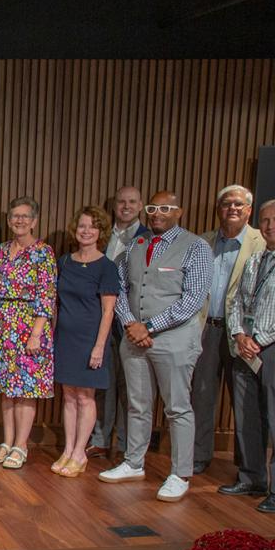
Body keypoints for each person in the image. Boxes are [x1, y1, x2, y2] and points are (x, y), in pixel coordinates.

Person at [100, 191, 211, 503]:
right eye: (153, 208)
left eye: (165, 208)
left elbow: (192, 300)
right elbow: (120, 288)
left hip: (173, 340)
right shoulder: (136, 244)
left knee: (177, 407)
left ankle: (180, 473)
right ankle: (134, 462)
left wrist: (148, 327)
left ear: (179, 211)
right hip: (134, 339)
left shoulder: (196, 246)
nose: (157, 213)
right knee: (137, 404)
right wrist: (130, 323)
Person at [222, 200, 275, 514]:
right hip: (246, 346)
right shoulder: (255, 260)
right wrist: (239, 335)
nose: (271, 226)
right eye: (265, 220)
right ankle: (251, 477)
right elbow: (235, 303)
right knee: (246, 417)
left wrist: (258, 339)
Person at [192, 185, 264, 475]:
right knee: (202, 395)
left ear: (249, 209)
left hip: (243, 335)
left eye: (238, 204)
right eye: (226, 203)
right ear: (218, 209)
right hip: (206, 330)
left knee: (246, 401)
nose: (232, 208)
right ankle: (199, 456)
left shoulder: (262, 242)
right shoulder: (203, 242)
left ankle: (249, 467)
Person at [0, 197, 57, 471]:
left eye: (25, 216)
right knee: (6, 388)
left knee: (25, 389)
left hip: (29, 324)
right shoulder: (2, 249)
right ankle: (7, 440)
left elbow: (46, 294)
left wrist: (36, 333)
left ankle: (21, 445)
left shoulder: (43, 252)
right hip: (3, 323)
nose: (19, 220)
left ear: (35, 221)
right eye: (15, 216)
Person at [51, 206, 119, 478]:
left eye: (92, 226)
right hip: (65, 338)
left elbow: (108, 311)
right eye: (82, 225)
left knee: (85, 396)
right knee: (68, 395)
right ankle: (67, 449)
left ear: (100, 232)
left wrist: (99, 346)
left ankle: (80, 452)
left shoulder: (107, 267)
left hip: (90, 339)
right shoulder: (65, 261)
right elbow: (56, 303)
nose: (86, 230)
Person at [87, 185, 149, 459]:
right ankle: (100, 438)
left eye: (131, 202)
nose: (125, 206)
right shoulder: (102, 235)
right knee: (103, 381)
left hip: (132, 321)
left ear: (140, 206)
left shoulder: (148, 238)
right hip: (101, 319)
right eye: (121, 202)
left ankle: (125, 443)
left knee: (130, 386)